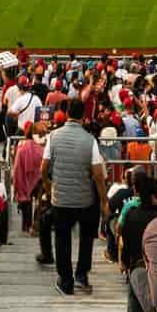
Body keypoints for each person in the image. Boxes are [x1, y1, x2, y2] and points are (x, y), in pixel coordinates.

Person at [43, 97, 107, 297]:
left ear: (67, 113)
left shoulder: (53, 136)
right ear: (83, 117)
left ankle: (65, 281)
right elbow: (98, 174)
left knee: (62, 239)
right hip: (84, 199)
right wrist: (104, 202)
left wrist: (49, 188)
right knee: (86, 237)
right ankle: (81, 274)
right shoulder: (90, 140)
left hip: (60, 198)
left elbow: (43, 168)